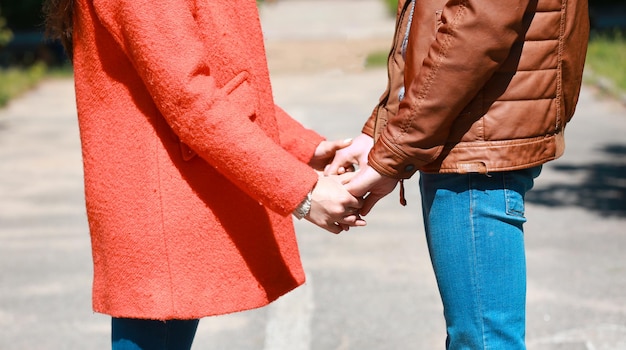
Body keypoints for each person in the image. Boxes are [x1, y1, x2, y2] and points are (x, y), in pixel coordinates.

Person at [43, 0, 365, 349]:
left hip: (175, 193)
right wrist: (301, 192)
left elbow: (222, 81)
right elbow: (188, 96)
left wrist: (301, 147)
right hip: (161, 201)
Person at [327, 0, 589, 348]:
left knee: (482, 340)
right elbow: (431, 27)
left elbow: (474, 29)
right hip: (467, 136)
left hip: (472, 147)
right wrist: (381, 129)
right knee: (479, 336)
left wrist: (393, 152)